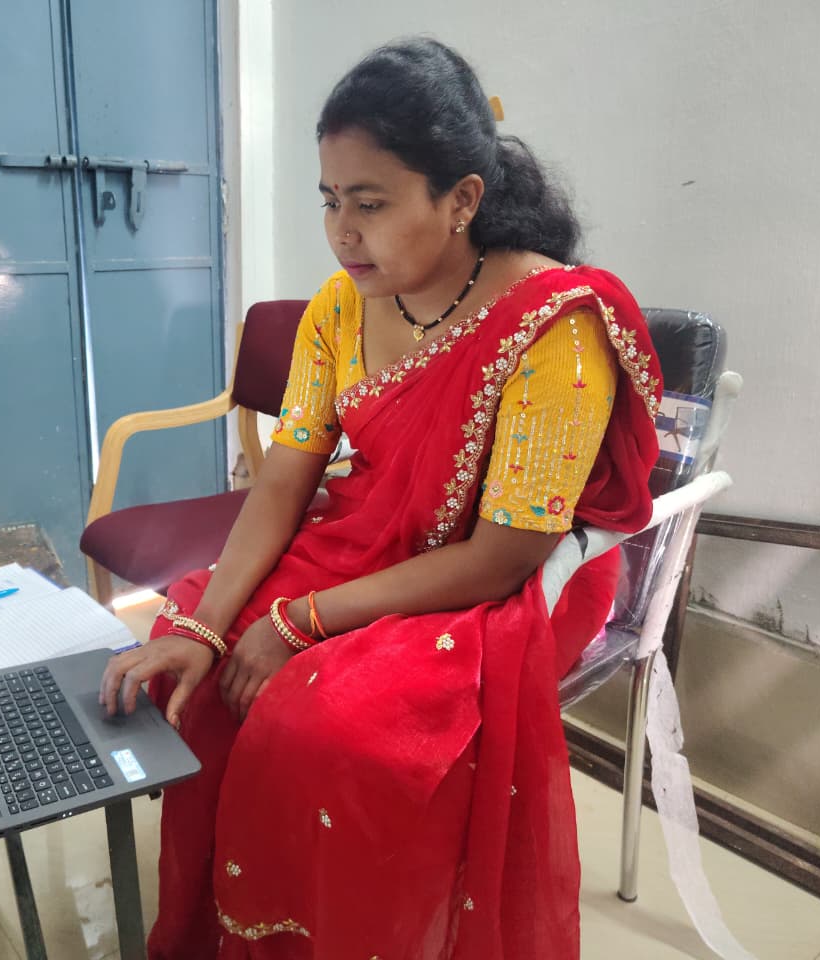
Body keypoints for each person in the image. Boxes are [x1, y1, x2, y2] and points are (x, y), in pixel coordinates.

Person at [99, 37, 661, 960]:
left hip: (495, 582)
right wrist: (206, 626)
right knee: (197, 666)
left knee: (325, 727)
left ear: (461, 199)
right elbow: (286, 476)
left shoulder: (553, 326)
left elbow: (505, 555)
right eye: (329, 200)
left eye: (371, 204)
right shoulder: (340, 306)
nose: (342, 232)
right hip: (371, 534)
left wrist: (301, 621)